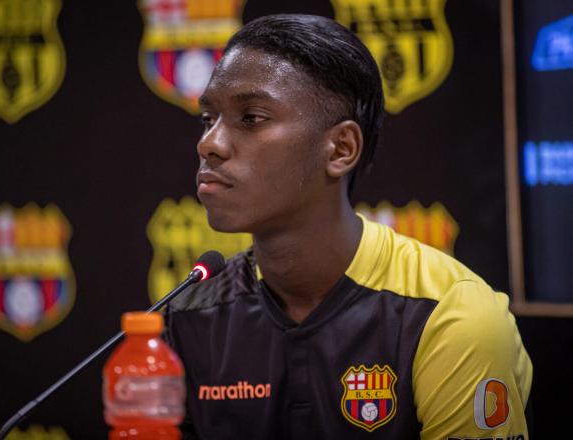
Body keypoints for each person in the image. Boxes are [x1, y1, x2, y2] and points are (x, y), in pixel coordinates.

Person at [163, 13, 532, 440]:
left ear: (341, 149)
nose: (208, 144)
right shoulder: (190, 313)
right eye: (208, 119)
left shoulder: (452, 315)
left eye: (252, 118)